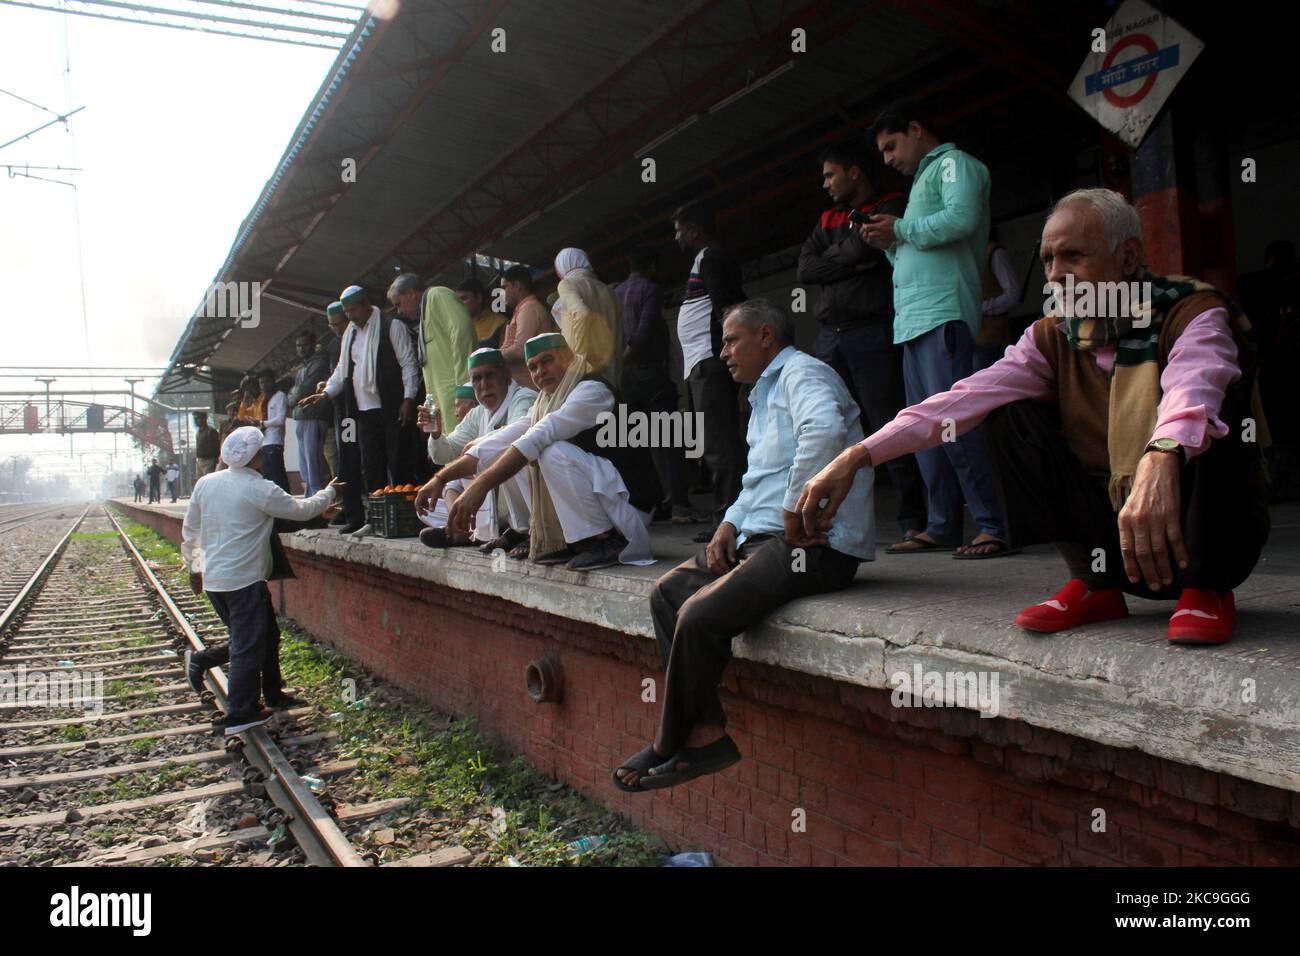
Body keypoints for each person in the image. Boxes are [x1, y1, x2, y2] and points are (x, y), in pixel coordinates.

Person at [799, 188, 1270, 646]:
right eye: (1048, 260)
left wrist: (1161, 454)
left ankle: (1206, 590)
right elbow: (961, 400)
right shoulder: (1052, 336)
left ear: (1127, 259)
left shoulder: (1192, 311)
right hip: (1117, 544)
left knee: (1212, 413)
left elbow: (1195, 384)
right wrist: (858, 456)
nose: (1056, 275)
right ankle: (1095, 583)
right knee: (1004, 410)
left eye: (1073, 256)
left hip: (1201, 537)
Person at [614, 299, 874, 791]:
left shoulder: (804, 374)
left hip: (818, 546)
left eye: (732, 340)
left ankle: (669, 743)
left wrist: (795, 510)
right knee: (666, 593)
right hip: (763, 540)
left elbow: (825, 432)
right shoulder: (761, 396)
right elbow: (758, 480)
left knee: (696, 615)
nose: (724, 352)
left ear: (767, 336)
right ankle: (706, 733)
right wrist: (729, 522)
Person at [862, 99, 1009, 558]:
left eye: (891, 146)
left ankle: (992, 525)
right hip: (913, 321)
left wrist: (901, 229)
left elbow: (961, 219)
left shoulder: (953, 165)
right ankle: (941, 524)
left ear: (916, 128)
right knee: (924, 432)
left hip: (943, 313)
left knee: (952, 425)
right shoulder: (922, 184)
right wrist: (889, 241)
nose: (887, 159)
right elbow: (917, 246)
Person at [417, 332, 660, 573]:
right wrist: (441, 478)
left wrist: (480, 486)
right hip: (605, 498)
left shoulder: (592, 391)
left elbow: (540, 434)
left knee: (550, 451)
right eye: (533, 367)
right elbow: (505, 439)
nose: (539, 372)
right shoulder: (544, 402)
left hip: (629, 504)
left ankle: (602, 540)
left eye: (547, 361)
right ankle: (552, 536)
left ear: (568, 357)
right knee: (510, 451)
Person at [797, 138, 927, 539]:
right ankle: (829, 523)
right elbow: (806, 269)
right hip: (830, 336)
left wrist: (844, 258)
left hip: (872, 329)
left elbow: (864, 251)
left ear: (854, 172)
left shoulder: (890, 204)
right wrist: (850, 261)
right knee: (824, 425)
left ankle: (912, 521)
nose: (826, 184)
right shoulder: (826, 218)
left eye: (830, 174)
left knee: (888, 422)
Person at [181, 427, 342, 732]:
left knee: (266, 636)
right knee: (247, 645)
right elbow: (301, 509)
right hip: (244, 582)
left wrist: (194, 567)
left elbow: (192, 530)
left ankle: (272, 695)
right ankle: (240, 712)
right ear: (257, 457)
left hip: (216, 581)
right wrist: (331, 491)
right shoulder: (260, 488)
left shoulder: (206, 484)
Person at [299, 285, 421, 531]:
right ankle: (377, 520)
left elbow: (409, 363)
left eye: (354, 309)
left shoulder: (391, 325)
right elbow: (342, 371)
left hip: (392, 407)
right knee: (373, 466)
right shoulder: (350, 335)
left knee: (399, 463)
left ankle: (406, 517)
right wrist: (324, 394)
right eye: (347, 312)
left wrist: (408, 398)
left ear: (366, 304)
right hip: (363, 412)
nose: (351, 316)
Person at [671, 201, 748, 542]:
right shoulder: (704, 260)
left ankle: (728, 518)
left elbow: (727, 307)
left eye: (678, 230)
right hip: (701, 365)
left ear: (693, 230)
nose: (676, 237)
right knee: (714, 440)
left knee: (720, 443)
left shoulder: (712, 257)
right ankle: (727, 514)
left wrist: (729, 352)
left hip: (711, 363)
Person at [418, 348, 537, 553]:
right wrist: (436, 435)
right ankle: (466, 530)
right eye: (477, 379)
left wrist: (476, 447)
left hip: (528, 497)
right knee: (429, 505)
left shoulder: (524, 398)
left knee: (508, 456)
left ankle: (525, 531)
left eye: (490, 376)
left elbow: (517, 434)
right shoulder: (479, 413)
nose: (483, 385)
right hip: (495, 502)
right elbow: (444, 455)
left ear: (507, 376)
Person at [617, 246, 698, 524]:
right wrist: (629, 356)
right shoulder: (651, 289)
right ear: (651, 266)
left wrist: (619, 364)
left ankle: (651, 504)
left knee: (639, 444)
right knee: (669, 441)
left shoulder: (616, 294)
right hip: (650, 375)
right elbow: (643, 333)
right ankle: (679, 506)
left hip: (626, 380)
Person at [388, 275, 477, 435]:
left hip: (457, 397)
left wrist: (465, 387)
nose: (399, 311)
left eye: (398, 304)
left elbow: (462, 332)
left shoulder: (438, 295)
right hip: (443, 402)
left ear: (411, 293)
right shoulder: (425, 312)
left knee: (465, 450)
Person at [552, 247, 624, 388]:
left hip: (588, 372)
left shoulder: (567, 284)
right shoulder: (609, 291)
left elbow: (582, 314)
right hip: (614, 371)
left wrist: (578, 357)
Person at [287, 330, 332, 497]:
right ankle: (310, 498)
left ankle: (317, 501)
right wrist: (293, 395)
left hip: (313, 417)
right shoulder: (303, 367)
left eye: (305, 344)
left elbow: (301, 391)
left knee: (313, 463)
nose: (301, 349)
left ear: (314, 344)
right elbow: (294, 393)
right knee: (305, 464)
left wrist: (292, 397)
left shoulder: (319, 363)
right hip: (302, 418)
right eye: (298, 345)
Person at [499, 265, 557, 389]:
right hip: (527, 386)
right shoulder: (522, 309)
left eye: (505, 288)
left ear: (517, 286)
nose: (502, 293)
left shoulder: (529, 308)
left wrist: (496, 356)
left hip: (532, 387)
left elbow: (521, 350)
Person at [974, 238, 1022, 371]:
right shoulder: (964, 256)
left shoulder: (993, 252)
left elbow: (1013, 294)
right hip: (969, 342)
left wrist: (981, 308)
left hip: (991, 340)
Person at [321, 302, 346, 481]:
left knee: (353, 448)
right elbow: (337, 373)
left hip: (354, 410)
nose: (336, 328)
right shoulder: (333, 346)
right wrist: (326, 385)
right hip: (341, 410)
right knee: (345, 449)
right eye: (332, 325)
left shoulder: (357, 338)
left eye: (339, 323)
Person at [256, 368, 290, 492]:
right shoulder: (264, 400)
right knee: (267, 476)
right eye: (261, 383)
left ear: (273, 381)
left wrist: (262, 423)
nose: (263, 385)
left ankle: (287, 500)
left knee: (278, 475)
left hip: (275, 441)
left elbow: (281, 419)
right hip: (264, 442)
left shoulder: (280, 396)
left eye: (266, 382)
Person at [458, 277, 508, 349]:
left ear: (479, 298)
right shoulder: (459, 325)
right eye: (457, 300)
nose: (459, 303)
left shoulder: (501, 323)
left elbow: (505, 355)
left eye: (464, 299)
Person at [193, 412, 220, 479]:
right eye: (195, 419)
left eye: (198, 418)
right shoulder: (198, 432)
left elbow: (216, 448)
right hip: (199, 461)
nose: (196, 421)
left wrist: (214, 461)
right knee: (200, 482)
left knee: (209, 481)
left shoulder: (211, 431)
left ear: (204, 419)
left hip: (209, 461)